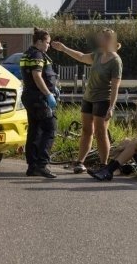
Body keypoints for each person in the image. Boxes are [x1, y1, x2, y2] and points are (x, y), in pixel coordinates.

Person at [51, 29, 123, 173]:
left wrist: (111, 107)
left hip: (103, 100)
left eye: (101, 39)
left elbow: (116, 86)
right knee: (86, 130)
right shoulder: (98, 54)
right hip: (88, 98)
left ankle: (103, 165)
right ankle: (80, 162)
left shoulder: (116, 61)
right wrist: (64, 49)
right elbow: (82, 57)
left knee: (101, 133)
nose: (98, 41)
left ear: (108, 40)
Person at [20, 28, 59, 179]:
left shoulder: (27, 53)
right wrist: (48, 93)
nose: (48, 45)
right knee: (50, 128)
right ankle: (42, 164)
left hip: (30, 96)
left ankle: (32, 166)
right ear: (40, 41)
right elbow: (37, 75)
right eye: (47, 42)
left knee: (35, 131)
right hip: (39, 98)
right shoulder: (37, 55)